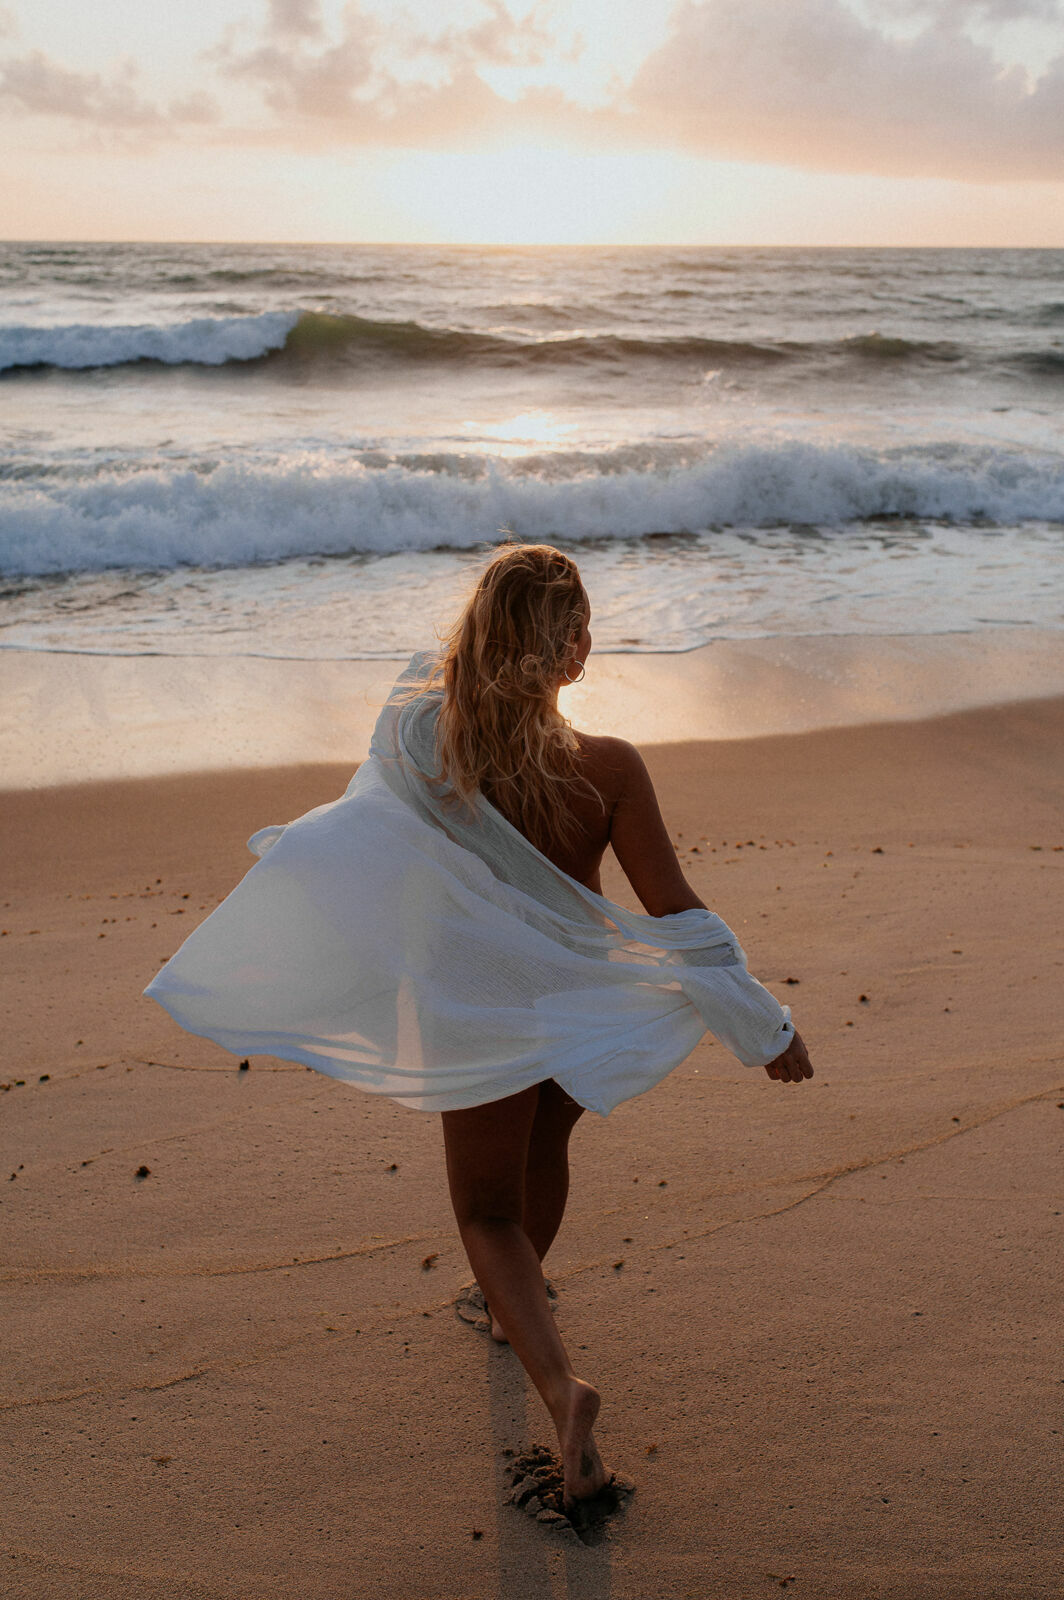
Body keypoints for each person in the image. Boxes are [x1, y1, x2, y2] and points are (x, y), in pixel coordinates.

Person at [145, 541, 812, 1513]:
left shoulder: (430, 747)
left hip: (472, 1003)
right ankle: (511, 1311)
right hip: (576, 997)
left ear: (476, 637)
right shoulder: (610, 767)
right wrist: (763, 1023)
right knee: (546, 1149)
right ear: (576, 652)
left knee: (486, 1210)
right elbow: (675, 910)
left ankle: (561, 1385)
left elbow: (396, 752)